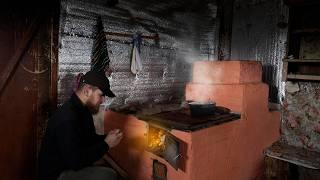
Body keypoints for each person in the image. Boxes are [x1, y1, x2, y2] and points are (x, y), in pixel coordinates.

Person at [38, 70, 123, 180]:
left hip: (68, 167)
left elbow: (89, 139)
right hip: (56, 175)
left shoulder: (83, 110)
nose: (103, 100)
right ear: (87, 91)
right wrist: (106, 144)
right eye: (101, 95)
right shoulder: (67, 117)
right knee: (108, 175)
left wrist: (107, 137)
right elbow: (76, 162)